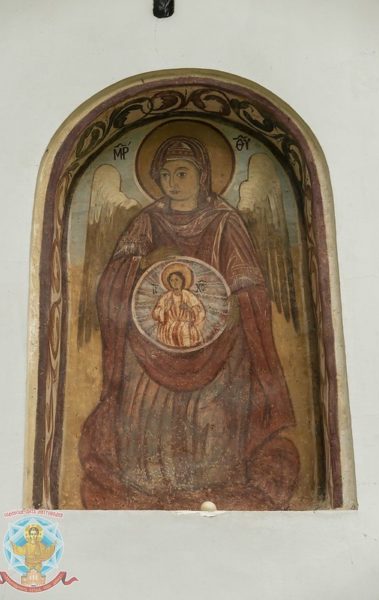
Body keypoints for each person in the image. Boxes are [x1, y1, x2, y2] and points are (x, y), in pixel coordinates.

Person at [79, 136, 300, 510]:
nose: (172, 182)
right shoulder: (147, 221)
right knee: (145, 404)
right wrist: (143, 266)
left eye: (181, 173)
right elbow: (115, 279)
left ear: (203, 176)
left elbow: (248, 286)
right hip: (152, 344)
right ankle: (147, 479)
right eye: (165, 175)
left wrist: (226, 306)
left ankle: (216, 479)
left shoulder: (224, 222)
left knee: (212, 410)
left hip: (218, 342)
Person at [152, 266, 205, 349]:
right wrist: (164, 310)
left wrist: (189, 309)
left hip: (186, 329)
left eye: (177, 280)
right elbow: (155, 314)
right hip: (168, 329)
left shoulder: (189, 296)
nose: (174, 283)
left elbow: (200, 312)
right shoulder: (166, 297)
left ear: (182, 281)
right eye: (171, 280)